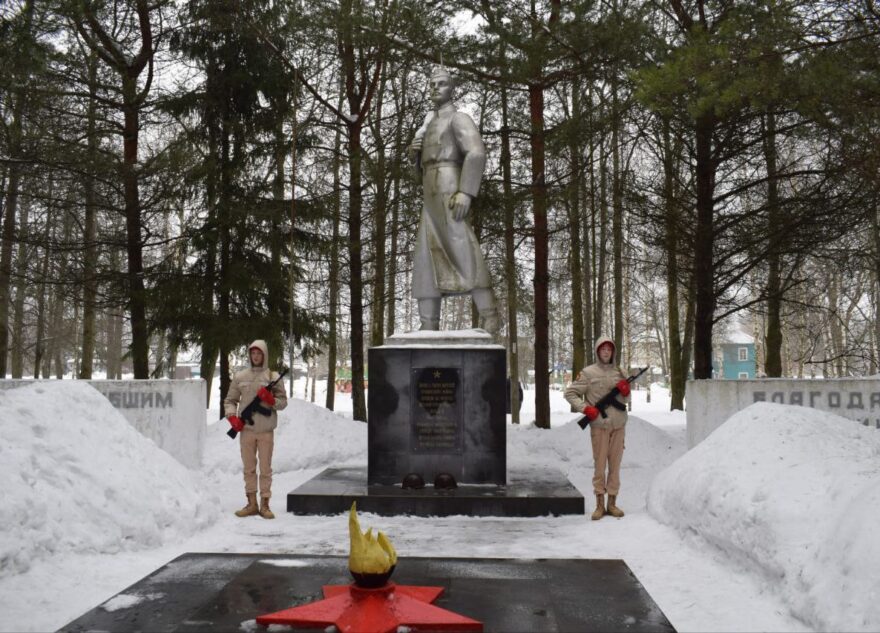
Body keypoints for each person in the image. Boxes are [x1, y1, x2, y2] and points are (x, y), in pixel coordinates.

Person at [407, 65, 500, 333]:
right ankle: (428, 324)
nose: (435, 88)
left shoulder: (459, 119)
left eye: (441, 84)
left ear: (452, 88)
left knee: (464, 248)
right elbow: (418, 176)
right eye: (432, 84)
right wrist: (414, 156)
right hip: (430, 196)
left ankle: (489, 314)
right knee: (426, 256)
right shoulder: (427, 125)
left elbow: (476, 153)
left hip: (451, 189)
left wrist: (466, 191)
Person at [564, 337, 631, 521]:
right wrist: (586, 408)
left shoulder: (621, 372)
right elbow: (570, 393)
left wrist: (626, 392)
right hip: (599, 427)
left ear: (613, 352)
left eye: (610, 349)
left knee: (615, 466)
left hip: (618, 425)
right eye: (603, 349)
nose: (606, 352)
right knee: (600, 466)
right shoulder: (587, 373)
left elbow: (625, 401)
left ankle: (612, 503)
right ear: (597, 351)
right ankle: (600, 505)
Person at [224, 340, 288, 519]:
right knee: (249, 468)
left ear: (265, 355)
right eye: (253, 353)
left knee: (265, 469)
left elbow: (283, 403)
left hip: (266, 431)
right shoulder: (240, 377)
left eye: (259, 353)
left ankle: (265, 504)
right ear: (250, 355)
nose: (256, 356)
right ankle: (251, 503)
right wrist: (232, 417)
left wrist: (271, 400)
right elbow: (230, 400)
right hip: (246, 431)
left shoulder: (273, 377)